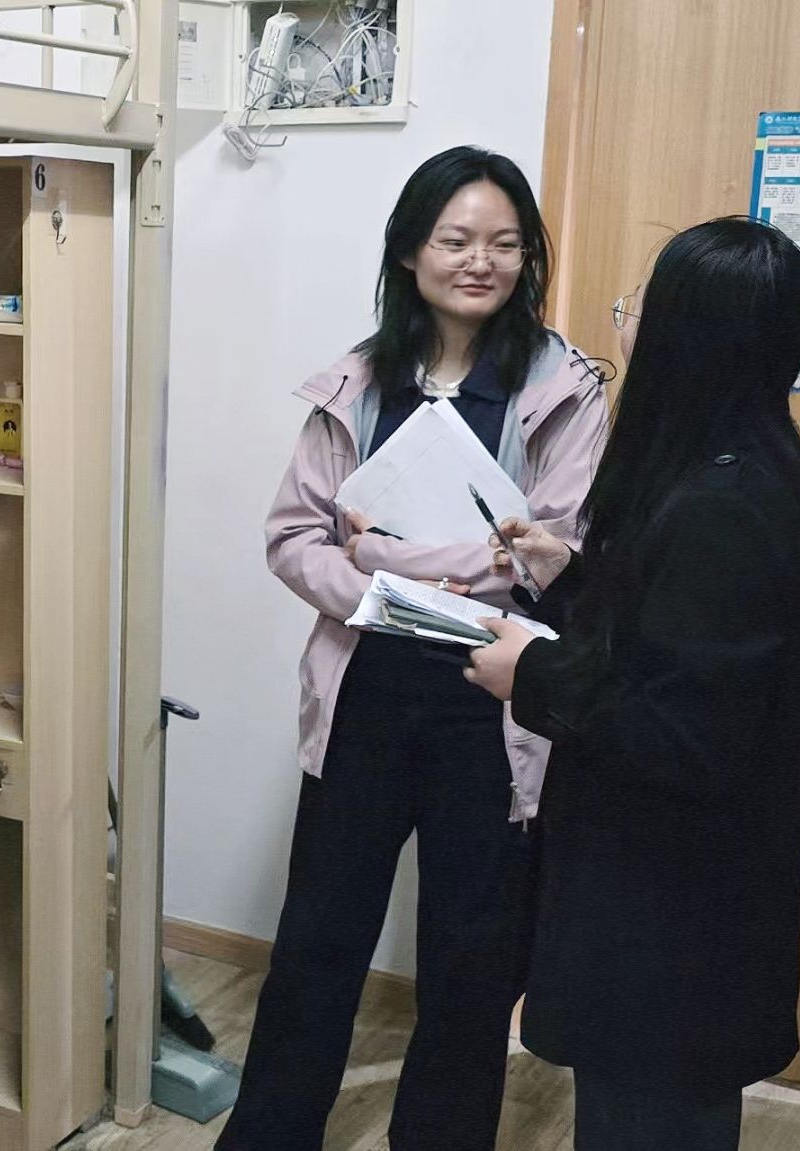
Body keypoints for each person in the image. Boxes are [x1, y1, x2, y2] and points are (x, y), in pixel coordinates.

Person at [219, 146, 610, 1150]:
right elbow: (292, 537)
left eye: (504, 244)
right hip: (366, 693)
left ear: (528, 259)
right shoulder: (356, 383)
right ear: (408, 251)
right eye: (455, 239)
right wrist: (386, 583)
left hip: (493, 703)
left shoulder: (564, 389)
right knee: (315, 940)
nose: (480, 261)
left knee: (471, 958)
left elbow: (553, 549)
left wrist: (380, 551)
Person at [465, 216, 800, 1150]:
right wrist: (569, 576)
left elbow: (685, 733)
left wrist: (531, 673)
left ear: (689, 336)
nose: (625, 322)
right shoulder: (739, 470)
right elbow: (674, 644)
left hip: (669, 927)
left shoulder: (723, 506)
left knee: (647, 1121)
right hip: (681, 921)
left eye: (639, 307)